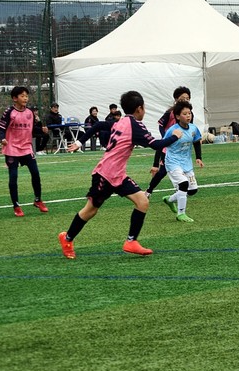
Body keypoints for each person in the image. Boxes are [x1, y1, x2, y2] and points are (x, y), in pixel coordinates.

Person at [57, 90, 183, 259]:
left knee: (142, 201)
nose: (144, 111)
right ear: (139, 108)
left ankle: (131, 241)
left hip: (118, 175)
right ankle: (67, 238)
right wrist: (174, 136)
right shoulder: (135, 126)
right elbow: (156, 144)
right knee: (90, 211)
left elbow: (98, 126)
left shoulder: (121, 121)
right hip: (104, 175)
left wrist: (80, 142)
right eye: (144, 107)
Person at [0, 86, 50, 217]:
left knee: (35, 173)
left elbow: (32, 129)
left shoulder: (30, 113)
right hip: (12, 149)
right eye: (22, 96)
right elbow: (2, 128)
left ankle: (38, 200)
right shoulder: (9, 112)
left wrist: (42, 131)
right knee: (13, 177)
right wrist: (3, 138)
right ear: (15, 98)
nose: (25, 98)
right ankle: (16, 205)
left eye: (26, 96)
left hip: (26, 148)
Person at [159, 100, 203, 223]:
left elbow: (196, 142)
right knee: (184, 184)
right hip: (172, 162)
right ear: (178, 116)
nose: (188, 116)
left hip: (186, 163)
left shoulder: (194, 128)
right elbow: (161, 145)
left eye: (189, 113)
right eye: (185, 114)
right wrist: (158, 162)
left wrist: (198, 157)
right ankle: (181, 214)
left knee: (192, 190)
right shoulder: (172, 130)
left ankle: (169, 199)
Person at [145, 86, 191, 197]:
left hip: (181, 147)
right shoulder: (170, 112)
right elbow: (161, 125)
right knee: (162, 171)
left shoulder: (189, 113)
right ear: (176, 99)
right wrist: (166, 137)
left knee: (182, 169)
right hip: (170, 144)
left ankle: (180, 190)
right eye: (183, 98)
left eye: (187, 98)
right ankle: (149, 191)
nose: (185, 100)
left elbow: (189, 128)